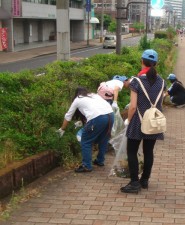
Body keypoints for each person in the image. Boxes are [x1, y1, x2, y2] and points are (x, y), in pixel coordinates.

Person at [120, 49, 164, 193]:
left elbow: (133, 106)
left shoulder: (137, 81)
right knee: (148, 151)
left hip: (138, 121)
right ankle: (144, 180)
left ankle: (134, 183)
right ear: (156, 63)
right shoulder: (162, 81)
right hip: (153, 121)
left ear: (142, 61)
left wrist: (127, 120)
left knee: (132, 152)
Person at [56, 87, 114, 172]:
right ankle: (100, 161)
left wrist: (62, 129)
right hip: (110, 116)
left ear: (76, 93)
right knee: (104, 139)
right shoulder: (94, 95)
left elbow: (68, 116)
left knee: (86, 141)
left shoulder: (78, 99)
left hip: (98, 118)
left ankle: (86, 165)